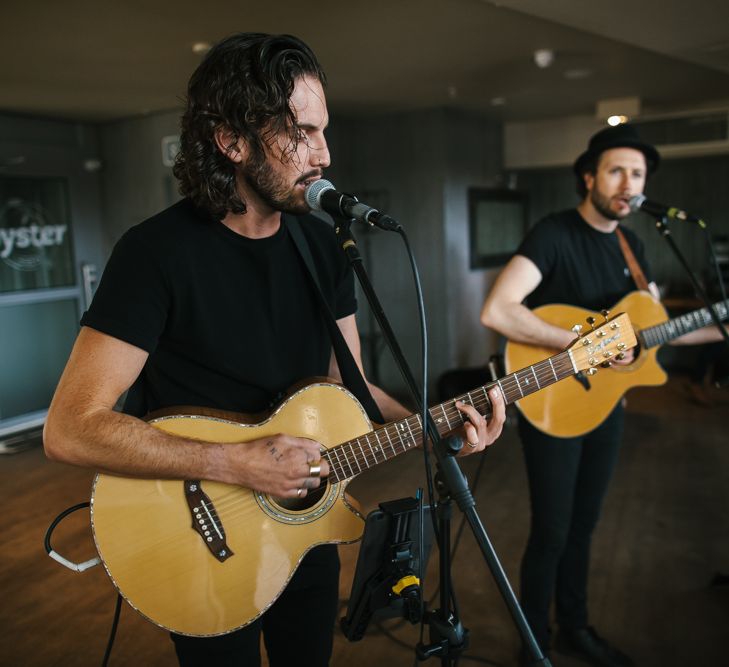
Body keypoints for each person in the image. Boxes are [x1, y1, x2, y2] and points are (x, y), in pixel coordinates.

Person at [43, 33, 506, 667]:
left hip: (303, 518)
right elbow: (70, 429)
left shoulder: (322, 249)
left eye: (324, 132)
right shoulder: (155, 254)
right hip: (199, 531)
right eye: (302, 133)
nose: (324, 154)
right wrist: (239, 464)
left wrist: (437, 430)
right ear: (231, 141)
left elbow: (353, 390)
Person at [480, 124, 724, 667]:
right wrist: (584, 344)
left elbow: (653, 328)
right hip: (552, 403)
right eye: (617, 170)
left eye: (637, 174)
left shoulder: (632, 246)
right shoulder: (553, 234)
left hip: (605, 405)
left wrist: (717, 321)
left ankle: (576, 626)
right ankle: (534, 643)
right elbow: (498, 310)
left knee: (586, 525)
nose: (628, 183)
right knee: (552, 530)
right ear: (589, 177)